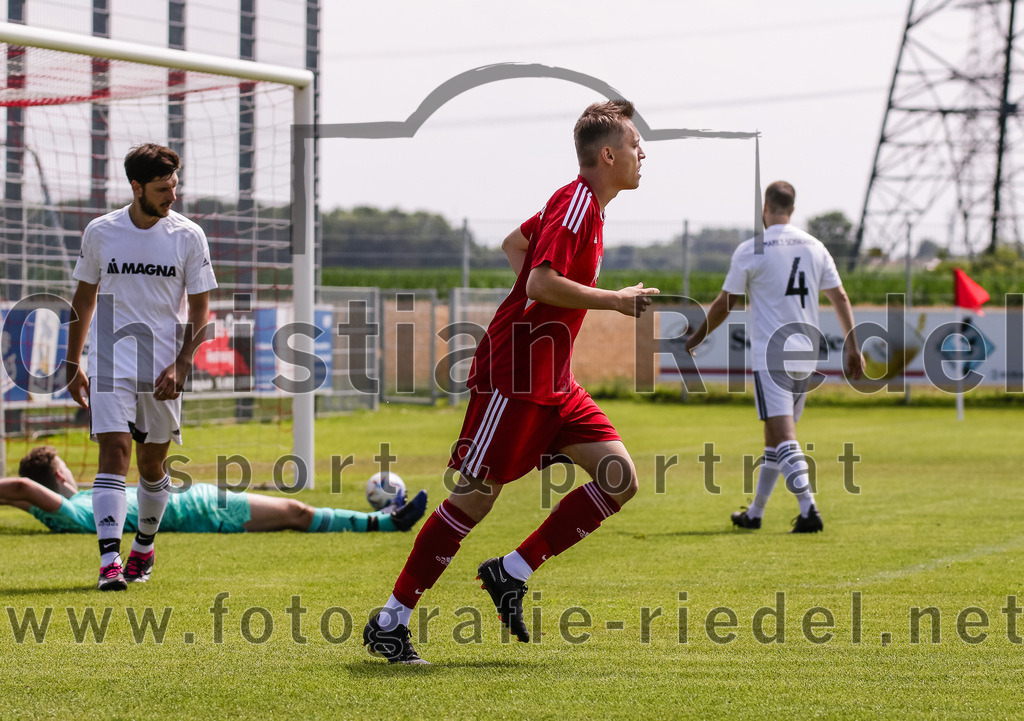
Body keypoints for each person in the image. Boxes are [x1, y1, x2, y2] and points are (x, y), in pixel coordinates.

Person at [363, 99, 659, 664]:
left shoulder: (585, 208)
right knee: (474, 499)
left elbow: (514, 248)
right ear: (608, 153)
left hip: (553, 381)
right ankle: (390, 621)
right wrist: (614, 301)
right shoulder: (575, 204)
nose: (642, 153)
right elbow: (541, 283)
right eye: (636, 144)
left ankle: (511, 571)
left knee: (620, 478)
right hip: (516, 376)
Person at [66, 143, 217, 591]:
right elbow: (84, 297)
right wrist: (73, 361)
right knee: (114, 451)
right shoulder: (101, 231)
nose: (172, 195)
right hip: (110, 358)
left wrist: (183, 362)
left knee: (152, 464)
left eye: (174, 185)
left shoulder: (188, 235)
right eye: (162, 187)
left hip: (162, 366)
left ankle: (144, 546)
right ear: (136, 187)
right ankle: (109, 561)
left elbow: (201, 306)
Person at [684, 180, 864, 533]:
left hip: (773, 355)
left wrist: (697, 336)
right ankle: (755, 513)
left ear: (765, 209)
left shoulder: (753, 248)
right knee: (774, 439)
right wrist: (853, 346)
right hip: (807, 354)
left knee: (784, 436)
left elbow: (726, 303)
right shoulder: (815, 247)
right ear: (792, 210)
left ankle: (809, 508)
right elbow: (840, 296)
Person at [1, 446, 428, 543]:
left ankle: (386, 518)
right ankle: (387, 521)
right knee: (296, 511)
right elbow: (20, 489)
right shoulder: (68, 513)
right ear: (57, 472)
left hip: (196, 497)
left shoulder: (58, 510)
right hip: (202, 512)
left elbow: (16, 496)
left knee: (295, 511)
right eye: (63, 465)